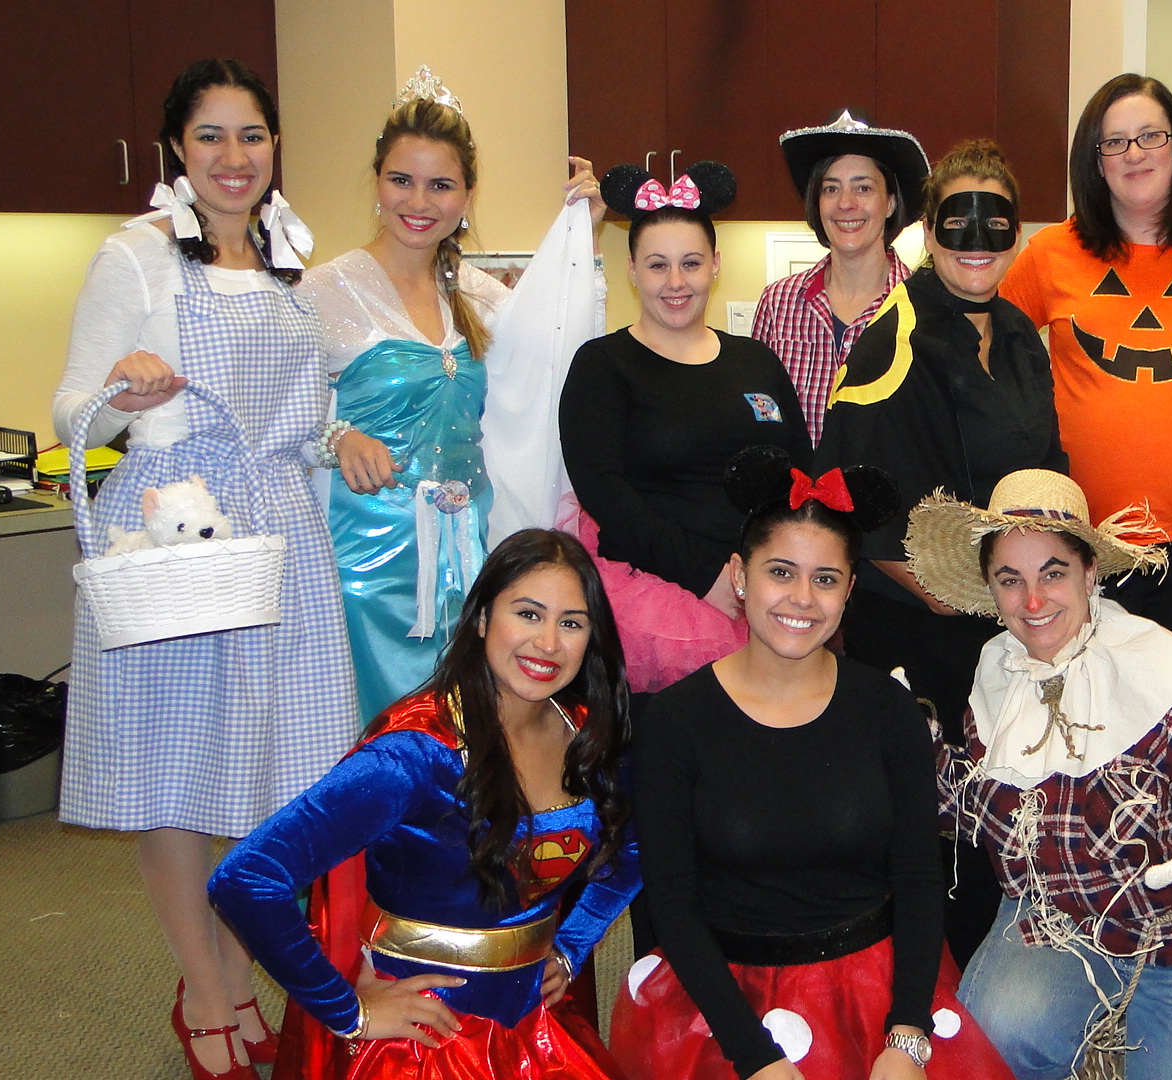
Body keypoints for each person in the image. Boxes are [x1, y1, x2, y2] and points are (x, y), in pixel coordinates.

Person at [50, 59, 357, 1080]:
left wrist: (336, 438)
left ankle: (225, 966)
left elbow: (298, 416)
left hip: (282, 534)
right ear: (177, 149)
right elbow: (70, 410)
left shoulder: (287, 260)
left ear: (275, 149)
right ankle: (211, 990)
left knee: (273, 779)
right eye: (213, 137)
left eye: (253, 136)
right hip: (181, 534)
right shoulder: (134, 256)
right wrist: (125, 389)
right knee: (178, 779)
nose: (236, 158)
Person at [612, 447, 1014, 1080]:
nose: (802, 598)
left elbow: (916, 876)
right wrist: (755, 1059)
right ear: (739, 576)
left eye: (825, 579)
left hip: (878, 997)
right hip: (724, 1007)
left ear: (850, 590)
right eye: (780, 572)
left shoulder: (889, 708)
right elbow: (671, 902)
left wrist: (907, 1033)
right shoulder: (673, 722)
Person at [903, 469, 1172, 1080]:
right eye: (1012, 581)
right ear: (991, 588)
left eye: (1053, 573)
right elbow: (986, 808)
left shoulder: (1169, 670)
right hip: (1060, 922)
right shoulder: (998, 671)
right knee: (985, 1054)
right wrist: (906, 748)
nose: (1033, 603)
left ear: (1090, 573)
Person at [209, 528, 638, 1080]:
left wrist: (573, 945)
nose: (549, 644)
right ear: (482, 619)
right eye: (528, 614)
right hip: (424, 1044)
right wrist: (349, 1010)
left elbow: (637, 840)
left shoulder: (586, 735)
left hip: (538, 1031)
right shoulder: (413, 755)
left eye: (571, 623)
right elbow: (245, 877)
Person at [815, 138, 1066, 964]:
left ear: (1017, 233)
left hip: (1015, 623)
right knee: (940, 826)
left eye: (996, 221)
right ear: (927, 231)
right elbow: (861, 504)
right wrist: (969, 596)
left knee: (1013, 803)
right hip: (925, 633)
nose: (976, 237)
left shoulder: (1024, 337)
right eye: (957, 218)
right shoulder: (893, 337)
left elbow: (1047, 475)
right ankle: (940, 999)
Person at [303, 66, 608, 721]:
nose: (420, 201)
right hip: (364, 563)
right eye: (401, 180)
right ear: (377, 182)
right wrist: (336, 436)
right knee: (376, 735)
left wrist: (585, 241)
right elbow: (273, 419)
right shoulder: (324, 291)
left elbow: (564, 357)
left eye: (441, 185)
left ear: (466, 195)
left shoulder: (482, 295)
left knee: (467, 731)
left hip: (471, 556)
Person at [1000, 74, 1172, 680]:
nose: (1134, 154)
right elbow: (984, 348)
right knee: (1092, 727)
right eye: (1114, 142)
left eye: (1149, 136)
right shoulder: (1051, 253)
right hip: (1084, 544)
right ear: (1094, 159)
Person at [560, 161, 812, 693]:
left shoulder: (757, 362)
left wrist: (779, 574)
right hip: (661, 603)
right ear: (631, 269)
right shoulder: (604, 366)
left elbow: (798, 477)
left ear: (715, 265)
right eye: (657, 265)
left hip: (767, 593)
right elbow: (605, 494)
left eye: (691, 263)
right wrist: (708, 577)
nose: (676, 283)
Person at [754, 110, 928, 445]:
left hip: (889, 496)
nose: (846, 204)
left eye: (863, 188)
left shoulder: (922, 309)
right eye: (831, 189)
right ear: (816, 203)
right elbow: (760, 415)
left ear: (890, 202)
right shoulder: (778, 304)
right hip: (794, 496)